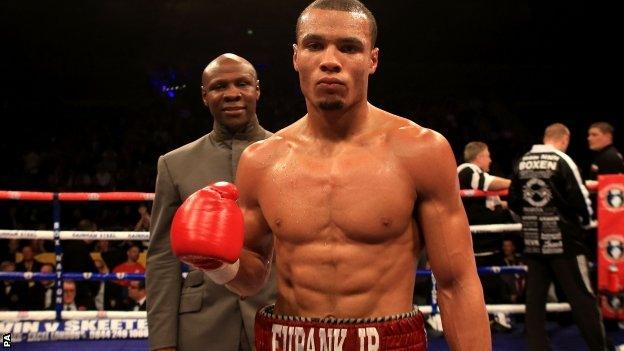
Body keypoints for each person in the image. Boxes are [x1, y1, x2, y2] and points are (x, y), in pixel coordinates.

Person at [171, 1, 490, 350]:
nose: (330, 60)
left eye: (349, 47)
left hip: (385, 340)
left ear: (373, 59)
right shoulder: (261, 161)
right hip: (287, 340)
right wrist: (218, 265)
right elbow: (251, 279)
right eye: (315, 45)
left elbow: (457, 283)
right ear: (296, 57)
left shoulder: (421, 151)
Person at [146, 53, 276, 351]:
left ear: (257, 89)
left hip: (277, 315)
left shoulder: (291, 155)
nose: (232, 94)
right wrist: (162, 341)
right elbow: (162, 259)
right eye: (219, 86)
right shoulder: (175, 164)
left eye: (242, 83)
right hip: (203, 324)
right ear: (205, 97)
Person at [508, 123, 609, 350]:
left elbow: (513, 201)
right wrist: (586, 224)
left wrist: (528, 224)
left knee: (535, 300)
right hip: (566, 241)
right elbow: (579, 198)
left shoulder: (522, 161)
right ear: (564, 139)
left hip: (533, 241)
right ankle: (600, 347)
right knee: (582, 297)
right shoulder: (563, 160)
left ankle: (538, 348)